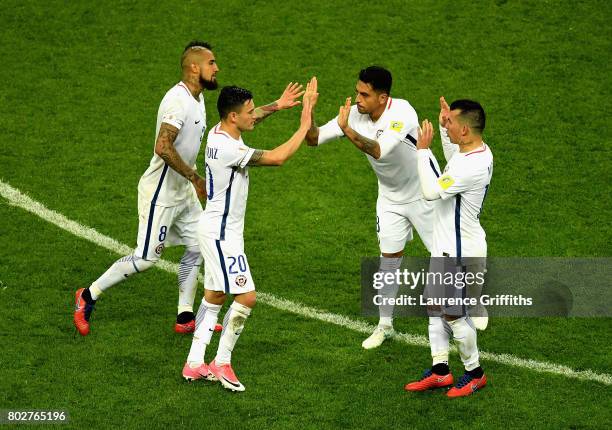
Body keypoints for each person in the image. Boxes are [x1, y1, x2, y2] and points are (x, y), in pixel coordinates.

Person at [73, 41, 304, 336]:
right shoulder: (177, 101)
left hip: (183, 191)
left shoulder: (197, 98)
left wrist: (277, 105)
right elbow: (162, 146)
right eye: (211, 63)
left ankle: (185, 316)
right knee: (145, 259)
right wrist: (195, 178)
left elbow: (240, 116)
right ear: (195, 67)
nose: (216, 67)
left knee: (197, 246)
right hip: (161, 193)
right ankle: (88, 295)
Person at [182, 79, 318, 392]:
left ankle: (193, 363)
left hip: (218, 229)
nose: (254, 115)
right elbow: (278, 157)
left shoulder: (223, 132)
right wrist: (303, 125)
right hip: (221, 235)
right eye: (249, 112)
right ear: (233, 117)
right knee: (246, 296)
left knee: (215, 296)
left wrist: (277, 106)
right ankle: (222, 361)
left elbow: (252, 117)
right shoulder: (229, 148)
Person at [305, 66, 440, 349]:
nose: (357, 99)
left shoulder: (402, 113)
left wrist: (346, 130)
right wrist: (309, 110)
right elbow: (314, 138)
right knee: (389, 261)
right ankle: (385, 325)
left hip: (424, 192)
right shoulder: (357, 113)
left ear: (383, 97)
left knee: (444, 253)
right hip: (390, 197)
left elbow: (378, 150)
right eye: (357, 91)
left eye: (364, 94)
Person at [404, 97, 492, 398]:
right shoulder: (475, 150)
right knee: (434, 308)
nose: (446, 124)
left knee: (453, 314)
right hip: (447, 249)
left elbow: (430, 192)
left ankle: (474, 373)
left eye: (451, 122)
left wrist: (422, 150)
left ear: (465, 130)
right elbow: (454, 156)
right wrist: (444, 129)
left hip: (460, 253)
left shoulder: (472, 167)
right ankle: (441, 371)